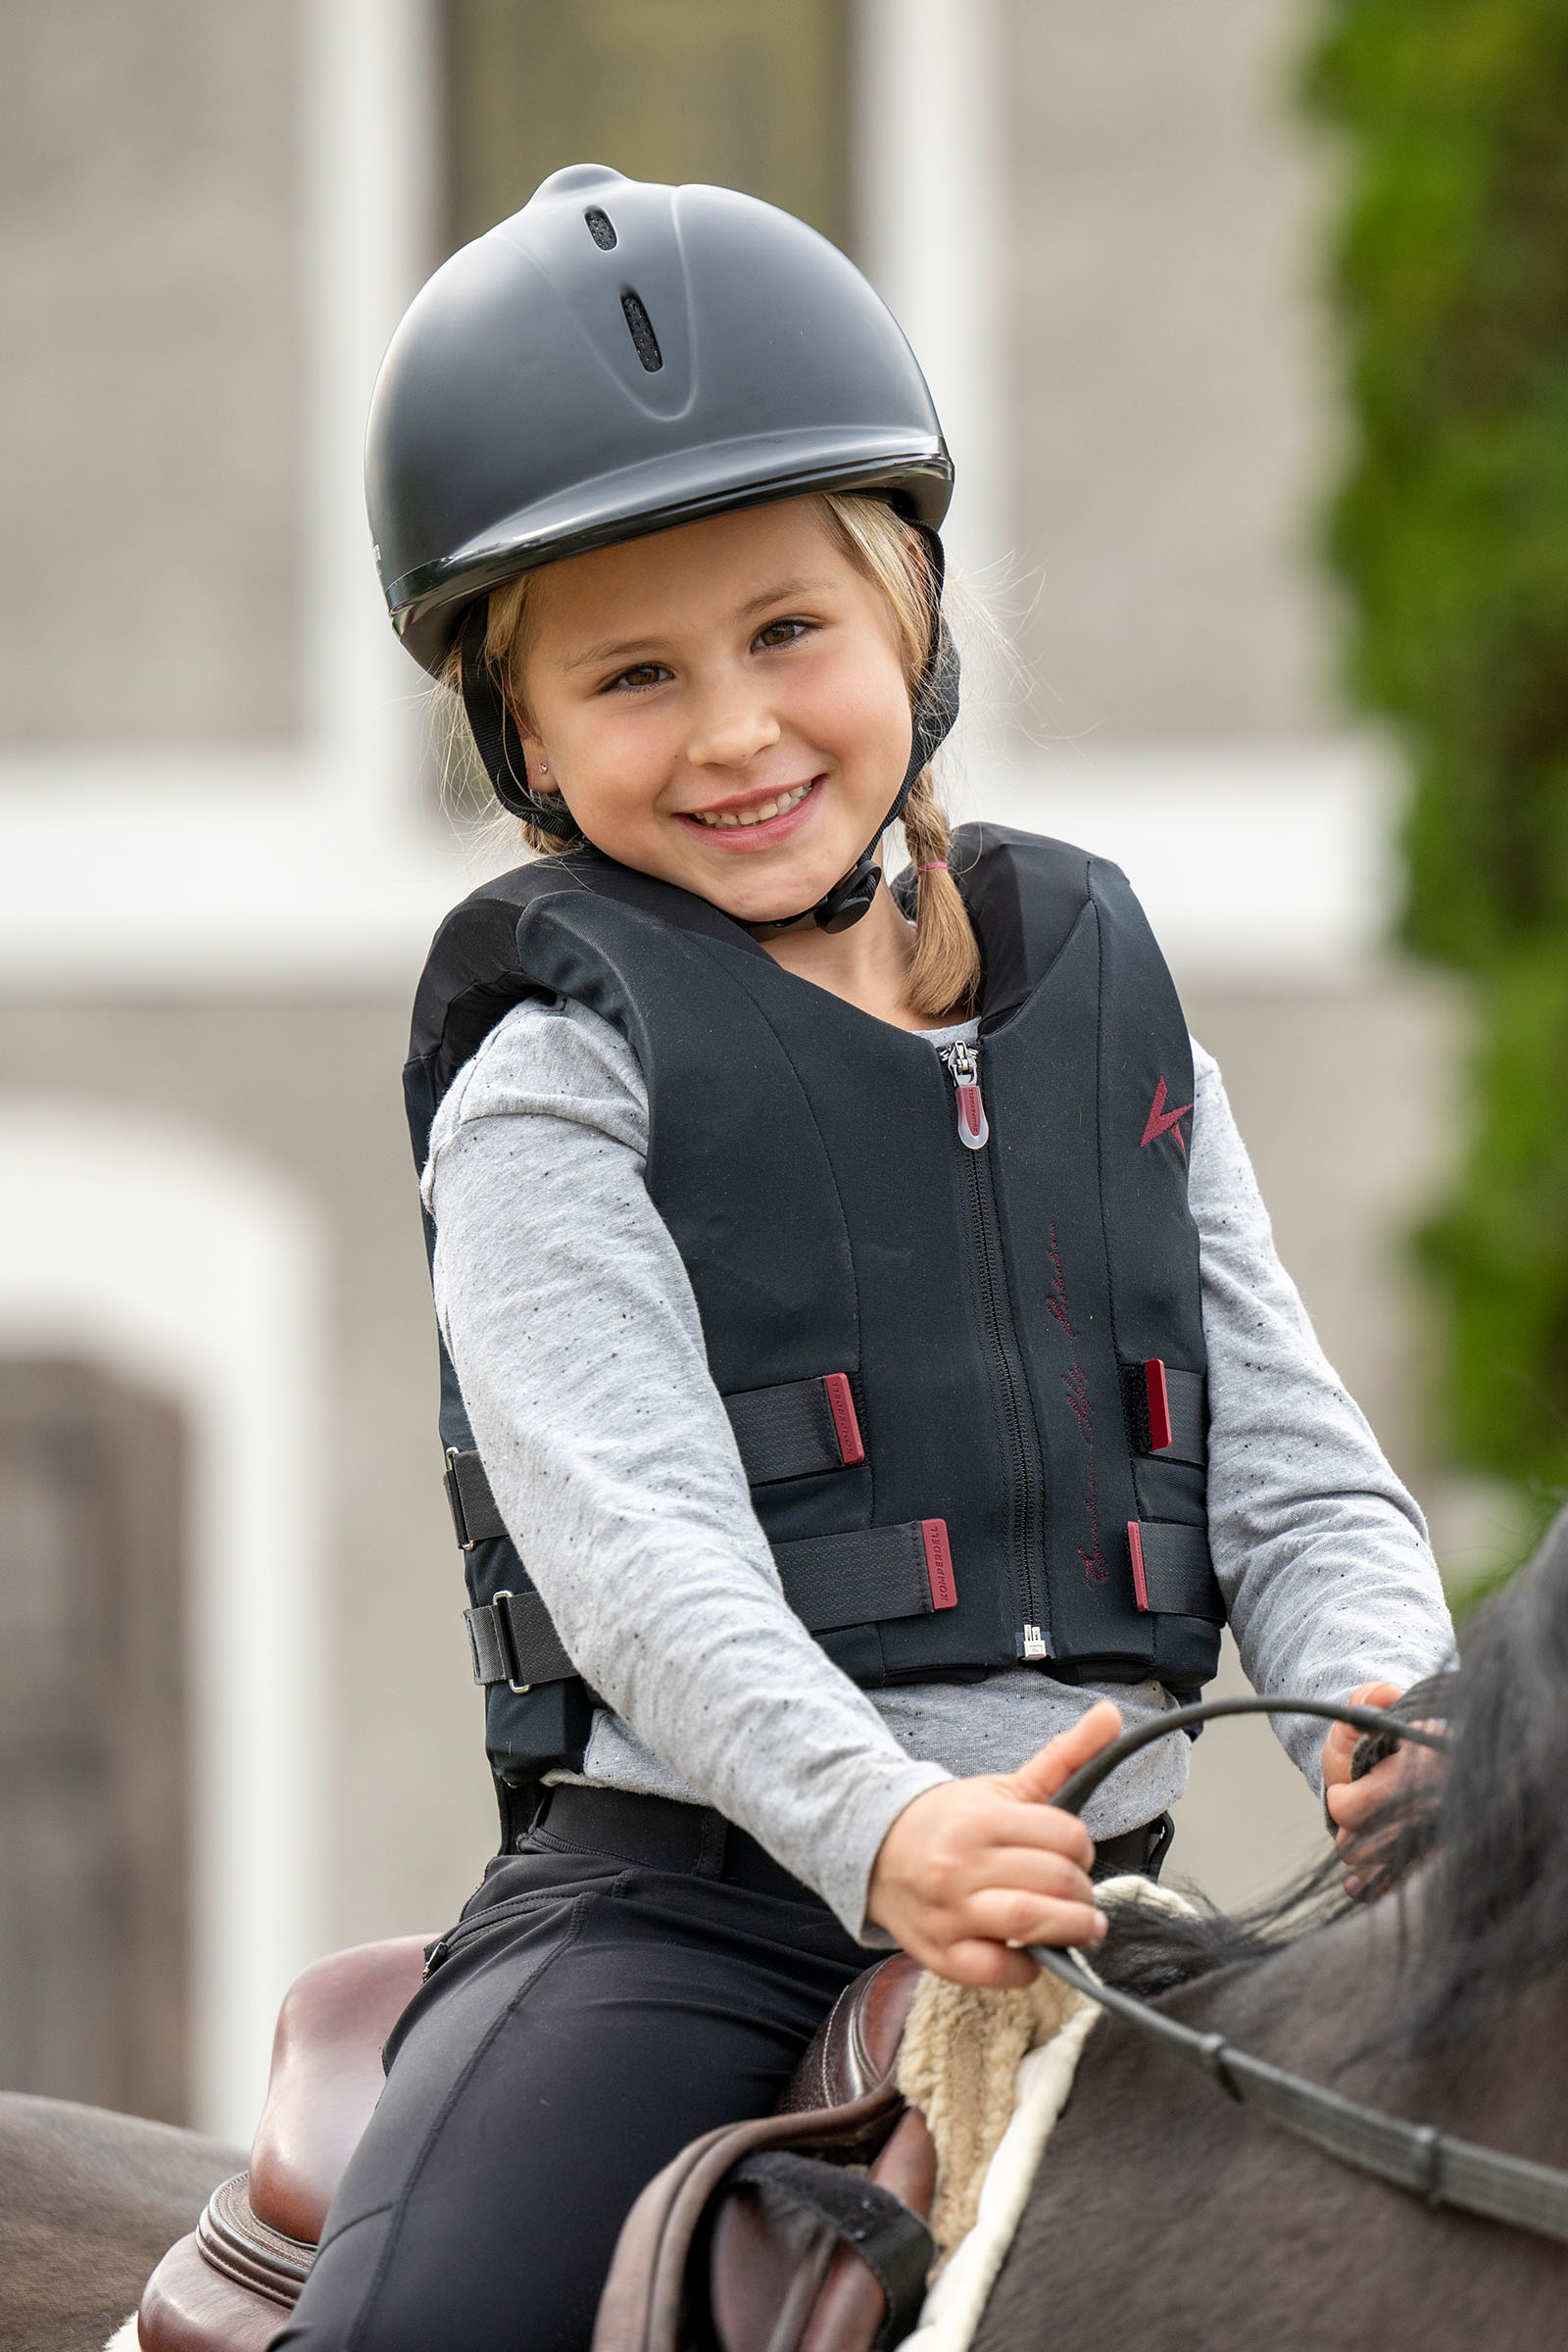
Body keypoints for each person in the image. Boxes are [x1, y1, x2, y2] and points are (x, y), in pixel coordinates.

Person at [276, 166, 1453, 2352]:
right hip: (685, 1921)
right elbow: (635, 1550)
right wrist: (884, 1822)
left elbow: (1281, 1458)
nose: (732, 733)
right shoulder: (554, 1068)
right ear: (519, 738)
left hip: (1091, 1919)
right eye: (632, 674)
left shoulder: (1101, 991)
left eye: (785, 635)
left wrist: (1379, 1709)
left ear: (907, 615)